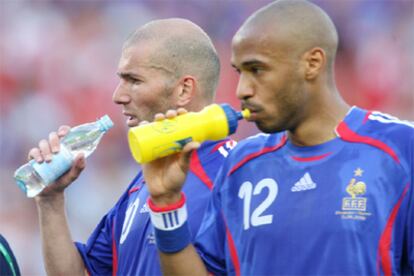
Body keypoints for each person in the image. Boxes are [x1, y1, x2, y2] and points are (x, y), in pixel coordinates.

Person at [141, 1, 414, 275]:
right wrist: (166, 204)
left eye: (257, 70)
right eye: (239, 72)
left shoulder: (399, 149)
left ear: (312, 63)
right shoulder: (240, 164)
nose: (242, 90)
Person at [28, 18, 233, 275]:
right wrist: (50, 201)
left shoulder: (234, 177)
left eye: (134, 80)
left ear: (184, 89)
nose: (118, 96)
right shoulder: (143, 183)